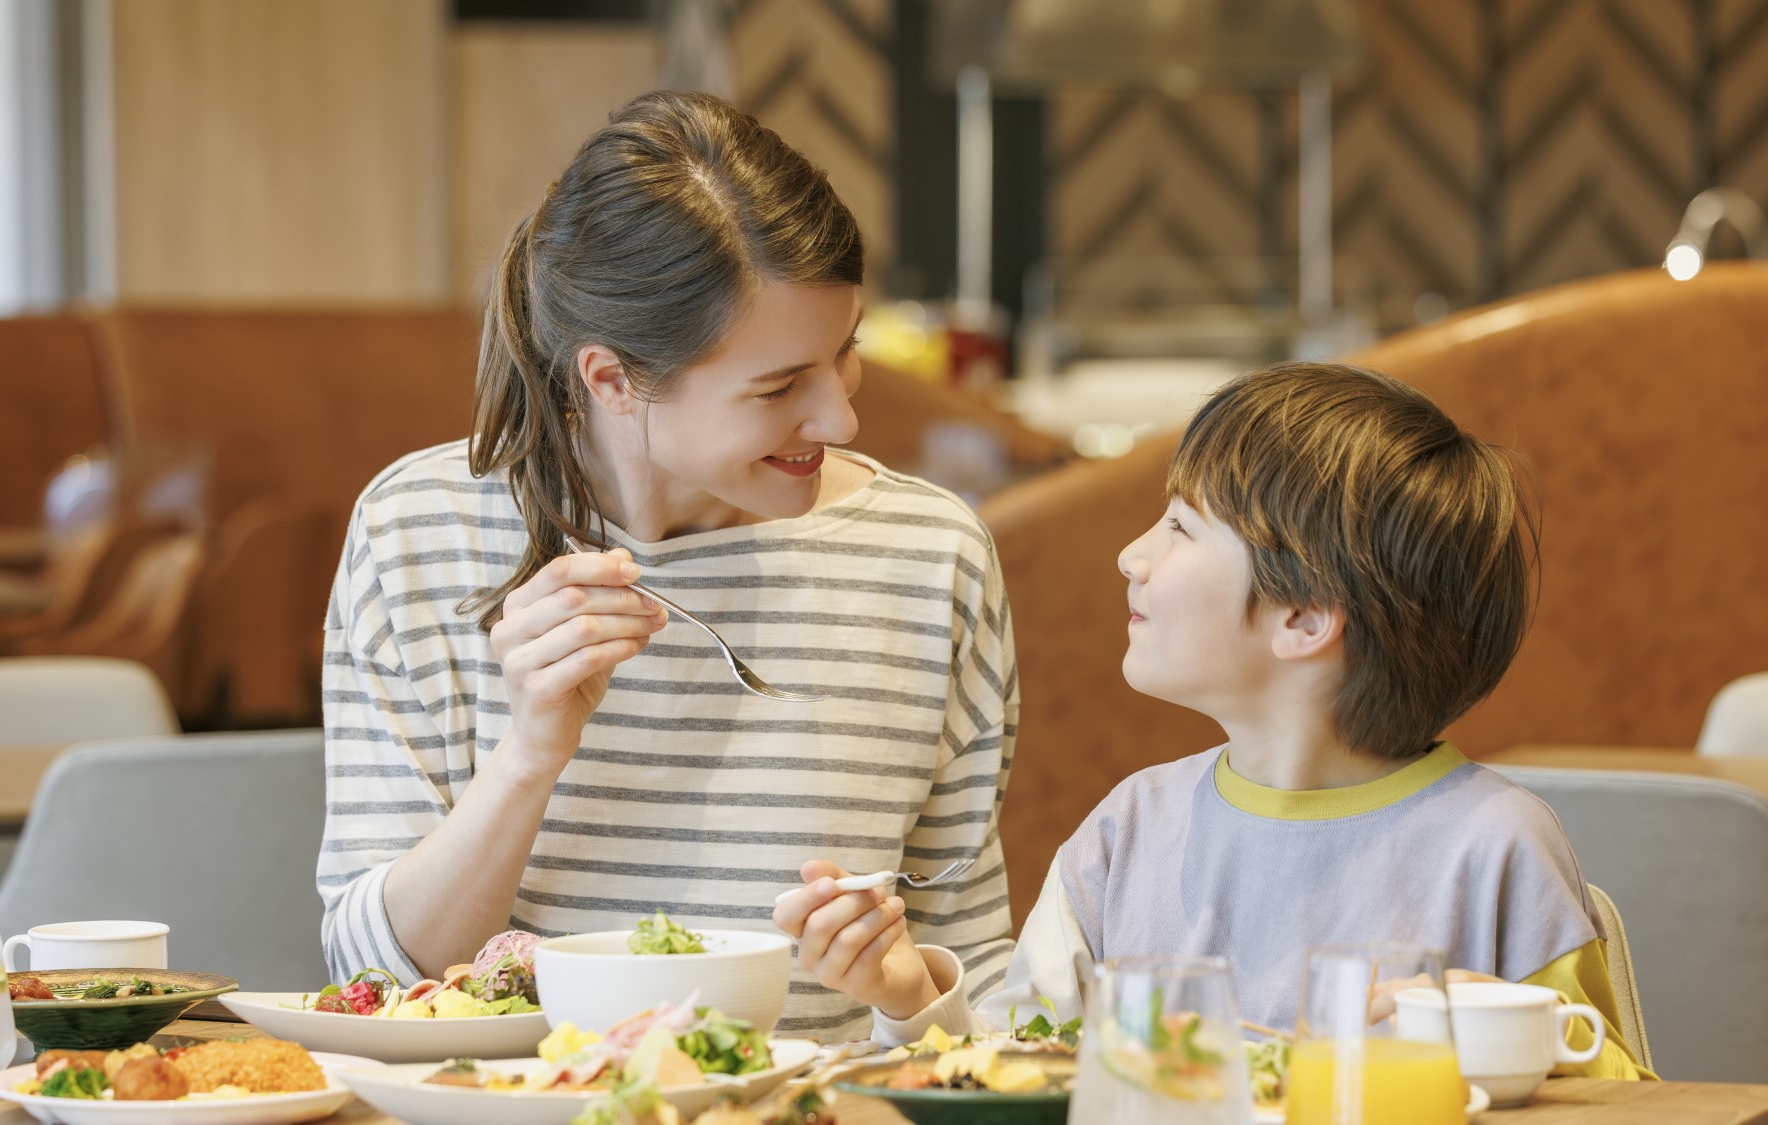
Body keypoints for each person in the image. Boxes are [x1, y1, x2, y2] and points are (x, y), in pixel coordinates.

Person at [315, 90, 1015, 1044]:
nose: (841, 421)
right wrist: (527, 757)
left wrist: (908, 989)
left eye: (842, 356)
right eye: (776, 388)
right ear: (612, 379)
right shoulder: (417, 532)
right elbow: (371, 979)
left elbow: (985, 987)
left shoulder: (931, 555)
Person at [795, 360, 1652, 1078]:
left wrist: (1515, 1037)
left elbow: (1635, 1098)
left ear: (1305, 617)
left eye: (1179, 527)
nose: (1132, 555)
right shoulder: (1126, 834)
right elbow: (1022, 1075)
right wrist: (910, 997)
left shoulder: (1495, 846)